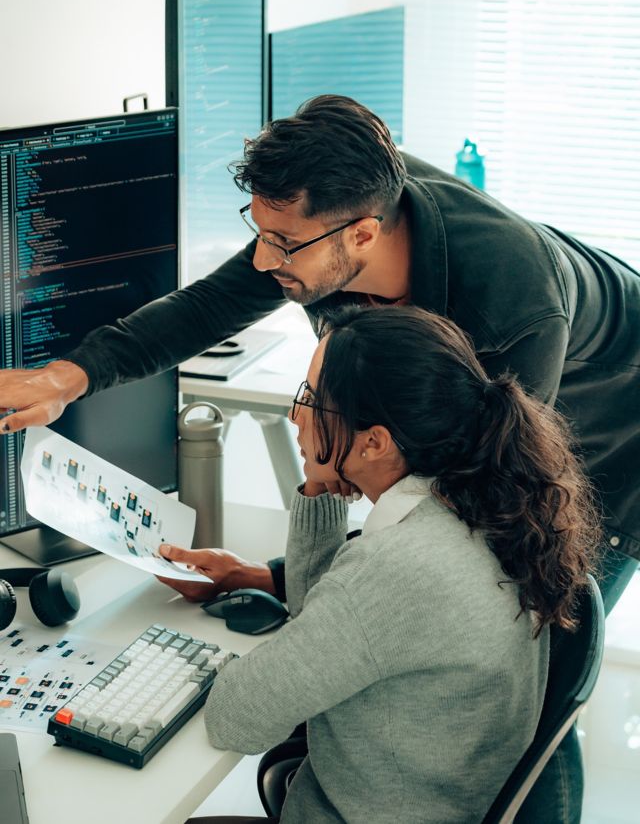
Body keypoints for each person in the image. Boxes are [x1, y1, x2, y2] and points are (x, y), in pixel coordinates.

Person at [1, 94, 639, 821]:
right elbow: (208, 307)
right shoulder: (327, 216)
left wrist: (313, 594)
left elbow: (454, 534)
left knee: (531, 647)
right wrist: (64, 378)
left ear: (363, 234)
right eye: (260, 234)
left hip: (614, 426)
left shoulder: (511, 310)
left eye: (283, 244)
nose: (264, 260)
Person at [174, 304, 599, 824]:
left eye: (310, 400)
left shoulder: (398, 568)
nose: (294, 415)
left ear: (374, 441)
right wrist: (319, 486)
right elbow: (324, 624)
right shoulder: (487, 508)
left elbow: (237, 719)